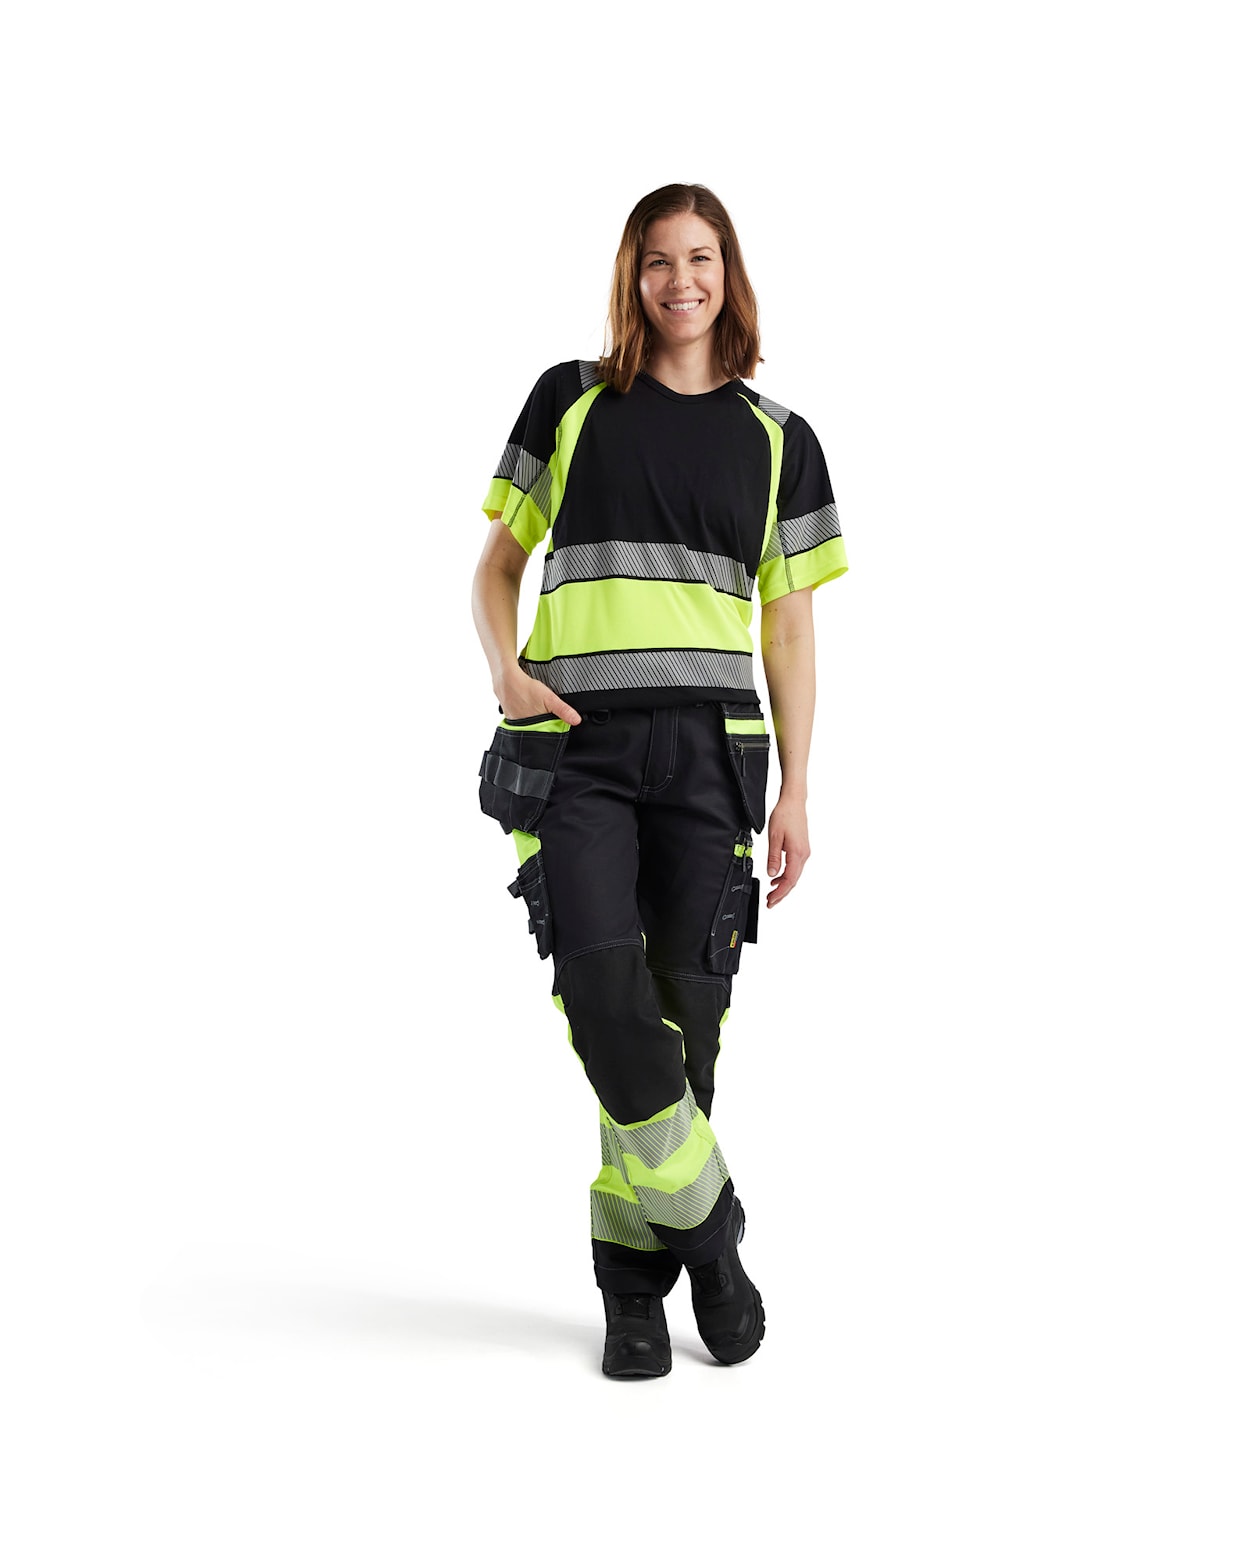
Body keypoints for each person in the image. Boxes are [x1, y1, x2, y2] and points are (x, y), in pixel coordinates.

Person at [470, 183, 848, 1378]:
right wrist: (504, 671)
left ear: (729, 275)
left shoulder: (779, 436)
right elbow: (495, 567)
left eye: (700, 258)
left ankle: (631, 1292)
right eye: (655, 260)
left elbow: (787, 628)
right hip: (572, 745)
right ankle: (715, 1243)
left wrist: (795, 790)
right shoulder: (570, 399)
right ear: (629, 277)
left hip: (712, 756)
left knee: (685, 1031)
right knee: (602, 999)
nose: (679, 280)